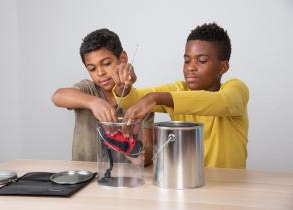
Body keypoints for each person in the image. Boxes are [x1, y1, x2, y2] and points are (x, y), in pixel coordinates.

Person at [112, 23, 249, 169]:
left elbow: (224, 102)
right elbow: (135, 98)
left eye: (202, 60)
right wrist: (123, 87)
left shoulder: (236, 88)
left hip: (230, 186)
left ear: (223, 67)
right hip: (185, 183)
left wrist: (155, 98)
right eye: (187, 60)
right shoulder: (179, 90)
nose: (190, 67)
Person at [52, 28, 153, 165]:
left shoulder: (141, 103)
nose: (100, 72)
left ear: (122, 58)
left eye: (106, 63)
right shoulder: (88, 90)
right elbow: (58, 96)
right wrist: (93, 103)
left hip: (124, 180)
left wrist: (132, 146)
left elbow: (147, 157)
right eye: (92, 68)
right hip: (85, 177)